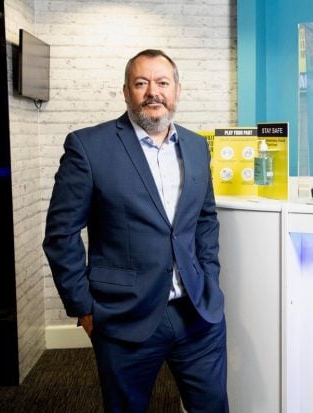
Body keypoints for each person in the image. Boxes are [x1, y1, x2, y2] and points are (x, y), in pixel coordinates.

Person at [43, 49, 228, 413]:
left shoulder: (196, 145)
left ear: (177, 89)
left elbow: (205, 219)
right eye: (141, 83)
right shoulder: (88, 147)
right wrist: (83, 307)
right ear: (126, 92)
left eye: (162, 82)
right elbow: (60, 234)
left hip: (197, 313)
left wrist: (209, 276)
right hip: (124, 318)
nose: (152, 92)